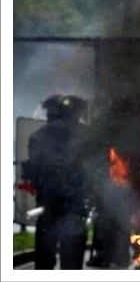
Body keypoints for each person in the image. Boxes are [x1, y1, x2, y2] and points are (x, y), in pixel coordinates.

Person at [22, 95, 88, 270]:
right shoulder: (87, 136)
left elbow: (32, 171)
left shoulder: (37, 136)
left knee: (44, 257)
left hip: (47, 205)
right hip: (76, 204)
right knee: (72, 261)